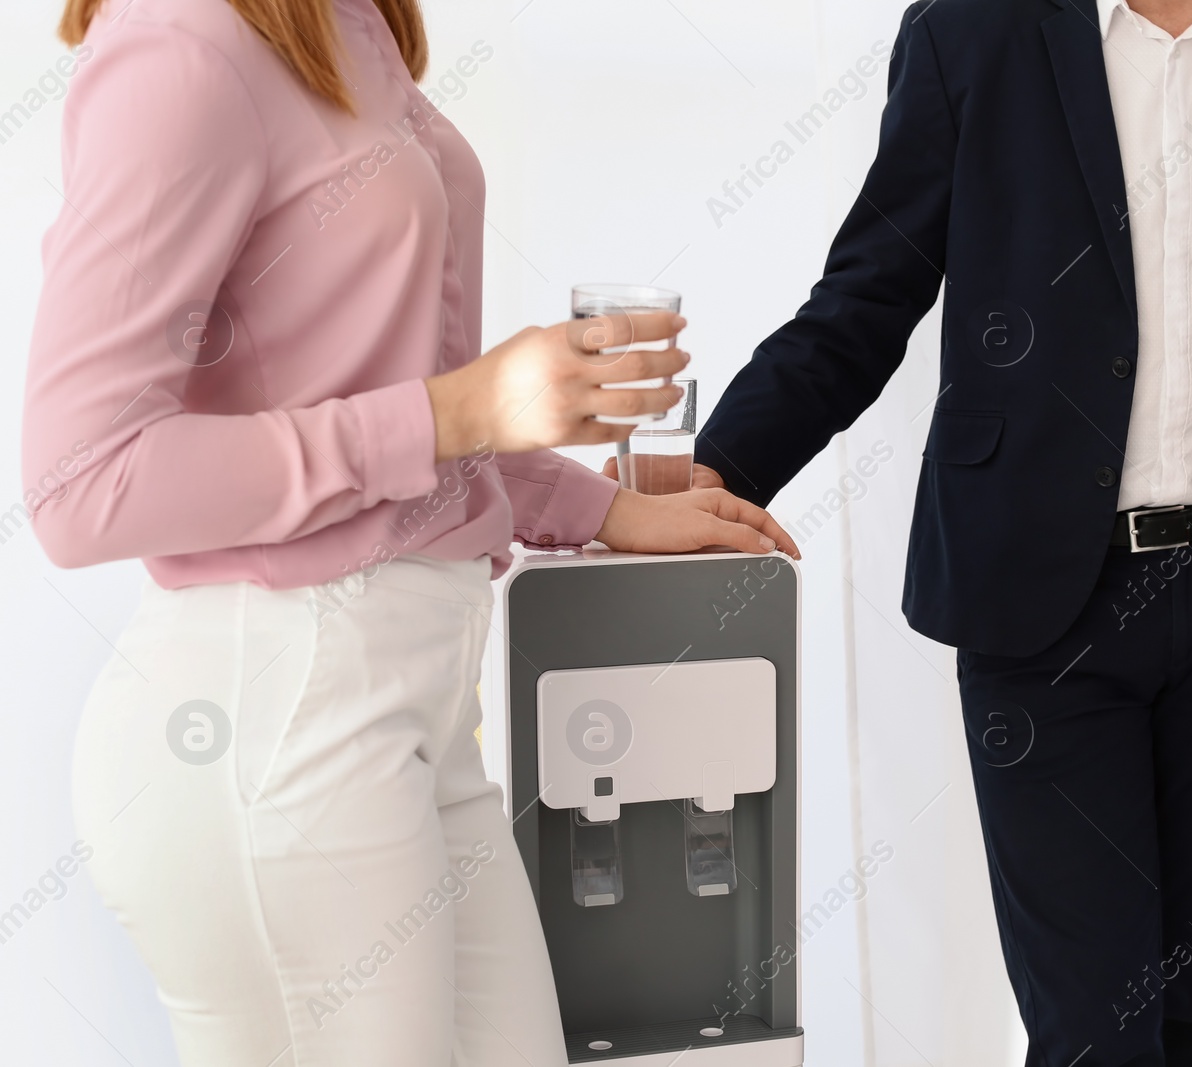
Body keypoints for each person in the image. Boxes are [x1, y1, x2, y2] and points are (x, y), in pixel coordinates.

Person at [23, 0, 797, 1064]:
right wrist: (464, 409)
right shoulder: (181, 36)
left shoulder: (350, 26)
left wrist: (602, 506)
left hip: (409, 724)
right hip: (278, 719)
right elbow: (81, 482)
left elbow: (382, 401)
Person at [692, 0, 1192, 1063]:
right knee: (1094, 1032)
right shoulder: (971, 34)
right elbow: (866, 296)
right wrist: (716, 471)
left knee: (1189, 1020)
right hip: (1041, 603)